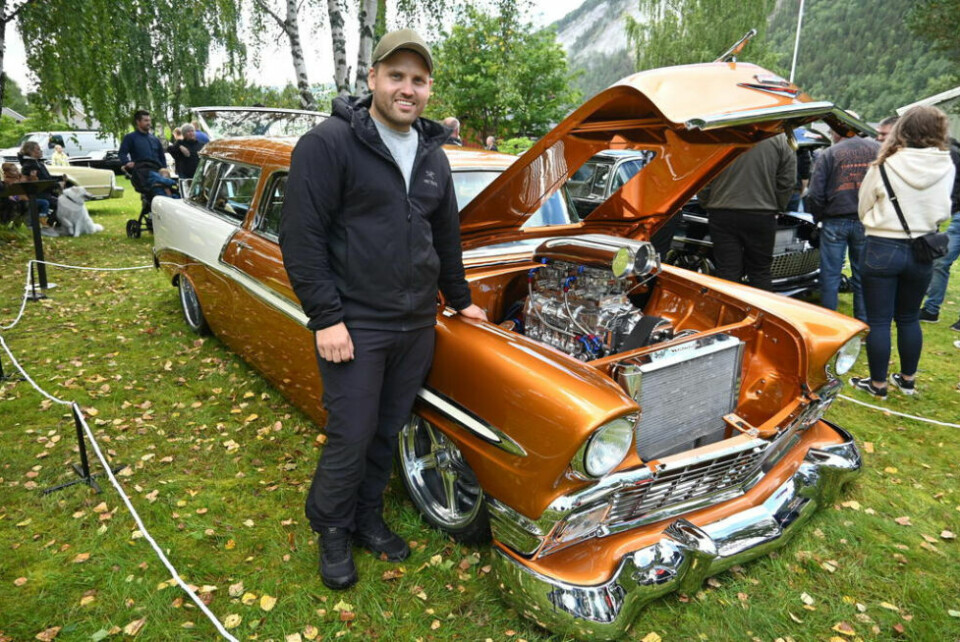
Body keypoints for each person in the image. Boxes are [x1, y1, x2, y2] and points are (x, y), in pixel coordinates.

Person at [278, 28, 486, 591]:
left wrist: (463, 301)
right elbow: (301, 238)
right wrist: (326, 318)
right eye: (396, 76)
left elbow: (446, 239)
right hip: (356, 323)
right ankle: (332, 528)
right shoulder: (328, 143)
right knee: (351, 430)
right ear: (372, 79)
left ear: (428, 89)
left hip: (415, 323)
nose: (407, 89)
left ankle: (367, 517)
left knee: (387, 428)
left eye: (418, 80)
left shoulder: (433, 154)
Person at [849, 105, 955, 398]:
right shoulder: (946, 164)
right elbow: (945, 208)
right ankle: (907, 380)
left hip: (882, 244)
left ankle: (878, 384)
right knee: (908, 317)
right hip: (923, 245)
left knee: (880, 319)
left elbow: (863, 207)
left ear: (902, 129)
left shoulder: (884, 164)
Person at [697, 133, 797, 291]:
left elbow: (704, 175)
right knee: (760, 271)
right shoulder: (779, 139)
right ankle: (761, 313)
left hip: (722, 212)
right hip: (762, 213)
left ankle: (726, 313)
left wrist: (706, 202)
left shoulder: (720, 136)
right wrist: (778, 205)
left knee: (727, 271)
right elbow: (788, 179)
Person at [805, 127, 880, 322]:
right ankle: (862, 323)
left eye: (831, 131)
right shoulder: (878, 149)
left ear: (838, 132)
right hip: (867, 219)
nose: (831, 134)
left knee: (830, 275)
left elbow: (815, 193)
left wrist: (818, 217)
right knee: (863, 274)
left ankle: (830, 322)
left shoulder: (829, 153)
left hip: (835, 219)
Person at [918, 136, 960, 325]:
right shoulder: (949, 153)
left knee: (940, 262)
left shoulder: (950, 153)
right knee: (941, 262)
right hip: (957, 218)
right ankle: (931, 310)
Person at [17, 140, 61, 223]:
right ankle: (49, 224)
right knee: (62, 204)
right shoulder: (29, 165)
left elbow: (46, 177)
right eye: (38, 149)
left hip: (45, 192)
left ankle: (54, 224)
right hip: (38, 194)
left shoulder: (37, 163)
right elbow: (39, 182)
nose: (41, 151)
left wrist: (60, 179)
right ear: (31, 151)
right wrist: (55, 184)